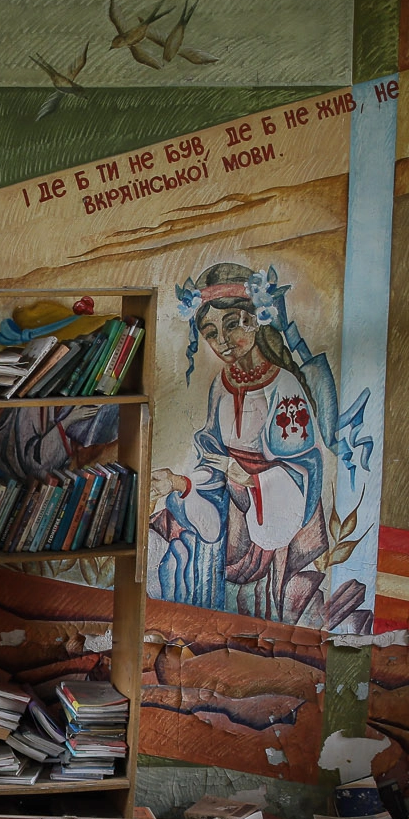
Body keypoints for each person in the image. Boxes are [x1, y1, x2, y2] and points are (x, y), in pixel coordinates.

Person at [152, 262, 337, 624]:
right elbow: (213, 459)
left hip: (270, 505)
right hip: (227, 495)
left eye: (232, 324)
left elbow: (303, 466)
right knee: (170, 530)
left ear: (256, 320)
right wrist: (180, 482)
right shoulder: (221, 385)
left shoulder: (283, 385)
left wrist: (254, 481)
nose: (222, 341)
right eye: (210, 332)